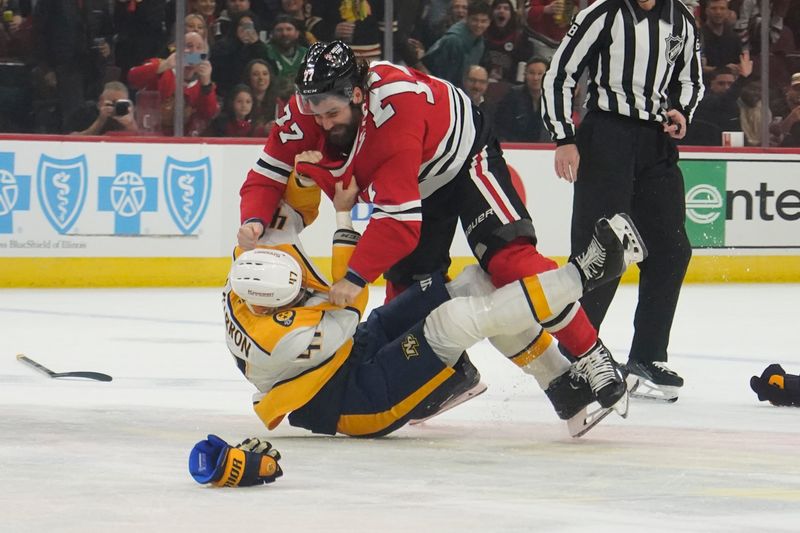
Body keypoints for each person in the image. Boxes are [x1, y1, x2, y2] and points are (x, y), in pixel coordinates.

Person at [237, 40, 635, 414]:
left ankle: (589, 352)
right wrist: (254, 221)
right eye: (315, 112)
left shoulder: (394, 113)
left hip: (463, 160)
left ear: (357, 95)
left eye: (332, 113)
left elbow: (399, 223)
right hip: (415, 182)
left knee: (509, 263)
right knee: (409, 302)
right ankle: (468, 378)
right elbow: (267, 174)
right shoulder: (309, 112)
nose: (322, 123)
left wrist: (356, 276)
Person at [227, 171, 645, 440]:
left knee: (475, 282)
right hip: (356, 400)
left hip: (349, 351)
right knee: (454, 321)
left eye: (301, 285)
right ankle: (583, 274)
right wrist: (342, 215)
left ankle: (562, 387)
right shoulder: (278, 341)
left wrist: (304, 166)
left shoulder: (254, 263)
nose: (306, 291)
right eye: (299, 297)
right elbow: (348, 298)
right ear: (272, 309)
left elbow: (289, 207)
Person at [542, 0, 705, 402]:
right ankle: (577, 351)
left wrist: (680, 109)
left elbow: (691, 78)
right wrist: (564, 136)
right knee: (602, 249)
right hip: (607, 135)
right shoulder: (603, 12)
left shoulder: (681, 18)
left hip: (656, 141)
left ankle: (648, 356)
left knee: (671, 248)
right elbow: (560, 73)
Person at [127, 31, 219, 136]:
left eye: (199, 48)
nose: (194, 52)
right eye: (189, 46)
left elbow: (208, 113)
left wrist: (206, 84)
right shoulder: (161, 67)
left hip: (184, 143)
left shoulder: (203, 84)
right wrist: (164, 65)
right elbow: (132, 77)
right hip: (151, 138)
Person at [420, 0, 491, 87]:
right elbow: (444, 75)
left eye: (483, 21)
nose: (479, 25)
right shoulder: (454, 40)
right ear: (467, 18)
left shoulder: (480, 41)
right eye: (475, 20)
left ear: (489, 22)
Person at [494, 57, 550, 142]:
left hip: (545, 149)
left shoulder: (553, 99)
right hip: (516, 147)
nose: (535, 78)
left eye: (540, 74)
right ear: (525, 75)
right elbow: (501, 127)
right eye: (531, 73)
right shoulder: (513, 95)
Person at [67, 81, 139, 136]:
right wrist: (100, 121)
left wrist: (130, 124)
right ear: (101, 100)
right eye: (113, 103)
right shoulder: (85, 111)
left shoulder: (129, 114)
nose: (116, 107)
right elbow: (72, 140)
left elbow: (140, 141)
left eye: (120, 103)